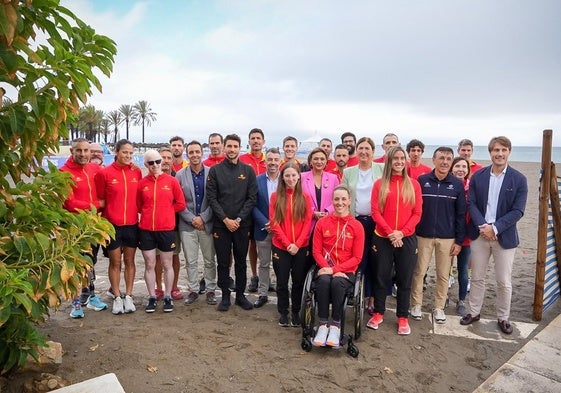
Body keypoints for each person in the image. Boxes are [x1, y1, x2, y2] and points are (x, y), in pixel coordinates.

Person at [460, 136, 528, 335]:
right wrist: (483, 226)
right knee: (478, 277)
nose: (499, 153)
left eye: (503, 150)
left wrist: (495, 228)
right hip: (480, 234)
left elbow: (518, 211)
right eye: (496, 150)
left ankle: (503, 317)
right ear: (490, 152)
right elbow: (471, 203)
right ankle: (474, 312)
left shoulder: (519, 179)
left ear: (509, 152)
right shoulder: (478, 176)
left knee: (503, 280)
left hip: (504, 237)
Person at [368, 146, 422, 335]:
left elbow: (417, 213)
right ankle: (378, 313)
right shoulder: (379, 184)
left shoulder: (414, 184)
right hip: (383, 237)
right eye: (395, 159)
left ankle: (402, 317)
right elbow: (375, 212)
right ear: (389, 161)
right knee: (381, 277)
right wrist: (391, 232)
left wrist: (401, 233)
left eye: (402, 158)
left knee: (404, 279)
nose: (399, 162)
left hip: (406, 238)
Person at [409, 147, 466, 324]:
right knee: (419, 272)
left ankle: (439, 307)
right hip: (423, 236)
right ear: (433, 160)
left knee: (443, 275)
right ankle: (416, 304)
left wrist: (458, 241)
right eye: (441, 158)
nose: (445, 162)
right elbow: (414, 208)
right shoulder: (422, 180)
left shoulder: (457, 184)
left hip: (447, 238)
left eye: (448, 159)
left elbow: (461, 215)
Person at [207, 134, 257, 312]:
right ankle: (226, 296)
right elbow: (212, 199)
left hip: (242, 225)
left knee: (241, 262)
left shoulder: (248, 170)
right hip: (221, 225)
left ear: (240, 148)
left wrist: (237, 219)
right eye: (229, 146)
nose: (232, 149)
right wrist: (226, 219)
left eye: (235, 146)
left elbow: (251, 198)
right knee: (222, 261)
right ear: (224, 148)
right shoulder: (215, 171)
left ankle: (241, 296)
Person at [311, 184, 365, 347]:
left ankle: (335, 326)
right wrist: (327, 269)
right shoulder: (322, 223)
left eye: (343, 199)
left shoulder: (357, 226)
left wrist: (336, 270)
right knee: (324, 281)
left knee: (337, 282)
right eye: (336, 199)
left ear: (349, 201)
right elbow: (316, 251)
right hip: (325, 267)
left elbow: (357, 257)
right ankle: (322, 324)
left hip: (346, 271)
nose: (339, 202)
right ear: (332, 201)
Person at [61, 138, 107, 318]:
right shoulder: (64, 173)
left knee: (90, 261)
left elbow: (108, 182)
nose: (83, 154)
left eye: (86, 150)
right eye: (78, 151)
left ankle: (90, 294)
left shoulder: (95, 169)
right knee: (76, 263)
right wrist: (96, 204)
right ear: (72, 152)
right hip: (74, 226)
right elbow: (70, 203)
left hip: (93, 226)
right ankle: (75, 301)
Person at [95, 139, 142, 315]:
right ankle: (116, 296)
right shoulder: (105, 174)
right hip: (112, 225)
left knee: (130, 261)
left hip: (131, 224)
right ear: (116, 152)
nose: (128, 156)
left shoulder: (136, 172)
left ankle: (128, 296)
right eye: (124, 152)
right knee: (115, 262)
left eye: (130, 153)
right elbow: (100, 201)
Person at [138, 150, 186, 313]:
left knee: (167, 264)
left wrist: (166, 211)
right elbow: (139, 205)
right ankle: (152, 296)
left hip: (166, 229)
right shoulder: (142, 183)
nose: (155, 165)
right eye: (151, 163)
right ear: (146, 165)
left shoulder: (172, 181)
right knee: (150, 264)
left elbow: (180, 203)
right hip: (146, 230)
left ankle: (167, 296)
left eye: (157, 161)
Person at [341, 137, 384, 315]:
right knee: (358, 258)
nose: (364, 152)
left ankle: (373, 297)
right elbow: (343, 195)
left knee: (376, 261)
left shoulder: (381, 169)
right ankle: (358, 293)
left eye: (367, 148)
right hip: (355, 221)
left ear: (373, 152)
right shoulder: (349, 172)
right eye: (361, 148)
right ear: (356, 151)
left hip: (377, 222)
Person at [269, 162, 313, 327]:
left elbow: (308, 223)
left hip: (301, 247)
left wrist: (298, 243)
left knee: (298, 281)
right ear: (282, 177)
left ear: (299, 176)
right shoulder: (275, 197)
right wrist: (288, 244)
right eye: (287, 175)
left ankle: (295, 311)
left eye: (293, 175)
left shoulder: (305, 197)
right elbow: (275, 223)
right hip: (281, 247)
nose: (290, 178)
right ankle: (283, 312)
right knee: (281, 281)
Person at [176, 141, 218, 305]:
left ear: (202, 153)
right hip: (187, 224)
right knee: (191, 261)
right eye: (191, 152)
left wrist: (203, 218)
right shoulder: (180, 175)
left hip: (207, 224)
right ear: (187, 154)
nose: (194, 155)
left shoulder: (211, 173)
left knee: (209, 260)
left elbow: (215, 199)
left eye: (197, 152)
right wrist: (192, 218)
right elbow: (178, 201)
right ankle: (193, 289)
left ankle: (210, 290)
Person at [251, 148, 282, 308]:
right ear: (265, 161)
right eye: (270, 159)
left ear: (280, 161)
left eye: (276, 160)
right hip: (263, 229)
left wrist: (277, 224)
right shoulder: (257, 180)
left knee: (280, 264)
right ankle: (263, 293)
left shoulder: (286, 179)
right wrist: (265, 223)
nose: (273, 163)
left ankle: (281, 291)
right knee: (263, 263)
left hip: (282, 230)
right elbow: (253, 205)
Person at [153, 146, 184, 301]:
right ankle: (158, 287)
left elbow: (181, 203)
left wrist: (167, 211)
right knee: (158, 258)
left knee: (174, 257)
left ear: (173, 161)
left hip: (174, 225)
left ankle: (173, 287)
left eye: (168, 158)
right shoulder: (150, 178)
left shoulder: (177, 178)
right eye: (161, 158)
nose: (164, 161)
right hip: (154, 226)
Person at [239, 128, 267, 293]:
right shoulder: (242, 159)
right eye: (253, 138)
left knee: (266, 243)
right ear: (248, 142)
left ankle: (266, 277)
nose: (256, 141)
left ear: (263, 141)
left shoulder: (270, 160)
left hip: (264, 209)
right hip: (247, 209)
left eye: (258, 138)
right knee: (252, 243)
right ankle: (255, 276)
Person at [449, 156, 471, 316]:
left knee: (463, 269)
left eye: (464, 167)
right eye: (457, 166)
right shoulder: (447, 185)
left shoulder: (472, 188)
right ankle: (443, 298)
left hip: (466, 236)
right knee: (444, 270)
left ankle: (461, 299)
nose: (460, 169)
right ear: (452, 168)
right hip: (448, 234)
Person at [300, 148, 340, 230]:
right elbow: (297, 200)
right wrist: (312, 213)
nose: (319, 161)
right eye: (315, 159)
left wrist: (328, 211)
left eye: (322, 159)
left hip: (328, 223)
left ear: (326, 162)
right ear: (310, 161)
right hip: (307, 225)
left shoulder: (333, 178)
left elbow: (338, 199)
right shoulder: (301, 177)